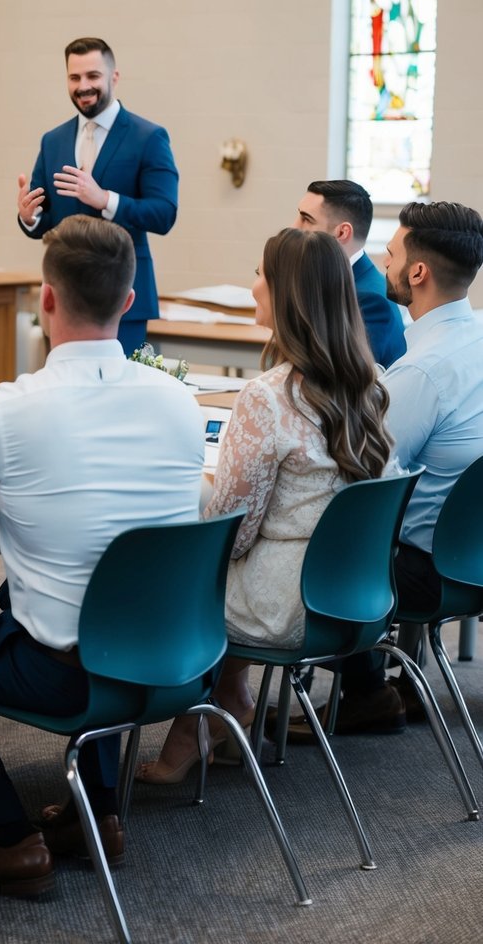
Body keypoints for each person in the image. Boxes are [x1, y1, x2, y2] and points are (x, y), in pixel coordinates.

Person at [0, 215, 205, 896]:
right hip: (177, 664)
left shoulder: (6, 411)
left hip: (73, 677)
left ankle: (6, 838)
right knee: (82, 594)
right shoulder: (178, 401)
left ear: (45, 301)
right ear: (129, 298)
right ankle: (98, 814)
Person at [138, 228, 392, 782]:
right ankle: (230, 707)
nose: (252, 287)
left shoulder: (267, 397)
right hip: (353, 589)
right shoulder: (370, 382)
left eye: (260, 276)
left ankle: (191, 724)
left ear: (288, 296)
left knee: (162, 578)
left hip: (286, 602)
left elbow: (234, 527)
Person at [314, 200, 483, 735]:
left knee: (316, 542)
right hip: (473, 553)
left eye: (389, 254)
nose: (383, 264)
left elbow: (366, 475)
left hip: (436, 570)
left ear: (418, 271)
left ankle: (366, 694)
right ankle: (391, 682)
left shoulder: (424, 371)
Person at [16, 37, 178, 356]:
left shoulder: (148, 137)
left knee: (119, 400)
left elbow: (164, 213)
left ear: (113, 77)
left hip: (123, 296)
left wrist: (105, 199)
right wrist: (29, 216)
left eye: (93, 76)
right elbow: (45, 216)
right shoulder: (53, 140)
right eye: (74, 78)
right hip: (65, 297)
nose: (83, 86)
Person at [293, 179, 406, 369]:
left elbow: (348, 384)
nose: (294, 227)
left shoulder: (370, 300)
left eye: (306, 219)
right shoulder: (334, 279)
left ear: (342, 233)